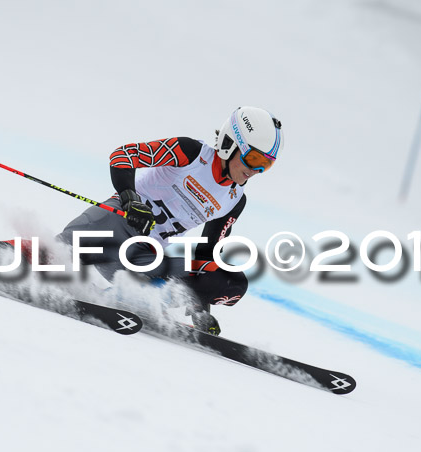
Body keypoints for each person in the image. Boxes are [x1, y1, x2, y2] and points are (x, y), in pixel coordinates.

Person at [58, 106, 283, 335]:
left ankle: (129, 299)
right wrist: (130, 199)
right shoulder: (191, 153)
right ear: (230, 144)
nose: (256, 170)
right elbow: (123, 156)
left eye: (266, 164)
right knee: (51, 255)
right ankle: (37, 258)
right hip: (111, 228)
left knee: (232, 281)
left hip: (143, 259)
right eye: (253, 158)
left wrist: (198, 306)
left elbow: (207, 257)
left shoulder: (234, 200)